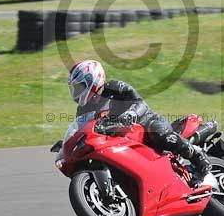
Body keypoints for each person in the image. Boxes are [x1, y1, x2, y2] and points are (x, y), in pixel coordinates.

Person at [66, 59, 210, 185]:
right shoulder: (83, 110)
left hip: (145, 122)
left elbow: (140, 102)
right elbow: (82, 129)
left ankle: (198, 157)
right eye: (75, 88)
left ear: (93, 80)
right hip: (118, 138)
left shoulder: (115, 87)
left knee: (160, 134)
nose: (76, 92)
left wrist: (132, 113)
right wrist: (69, 142)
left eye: (80, 87)